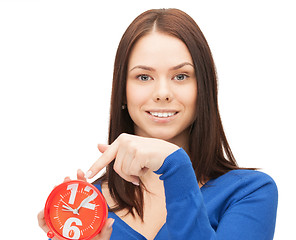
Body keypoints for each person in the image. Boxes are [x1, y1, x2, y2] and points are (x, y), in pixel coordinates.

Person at [38, 8, 278, 239]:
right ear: (122, 90)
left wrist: (176, 167)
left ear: (203, 88)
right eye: (144, 77)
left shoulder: (250, 192)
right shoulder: (83, 209)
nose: (162, 93)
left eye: (180, 76)